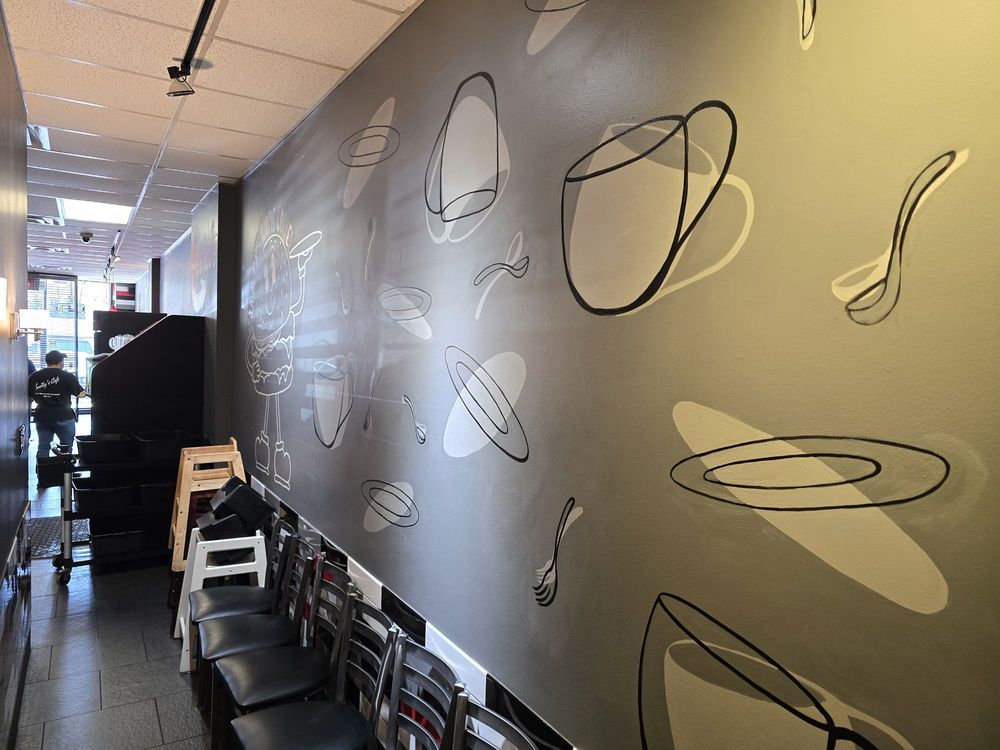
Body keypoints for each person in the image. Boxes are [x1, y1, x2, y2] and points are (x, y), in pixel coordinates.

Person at [29, 350, 86, 461]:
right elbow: (80, 394)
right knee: (66, 447)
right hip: (63, 416)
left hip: (42, 416)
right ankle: (64, 473)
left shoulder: (34, 376)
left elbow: (29, 395)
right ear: (60, 363)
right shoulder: (68, 376)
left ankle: (42, 474)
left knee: (43, 447)